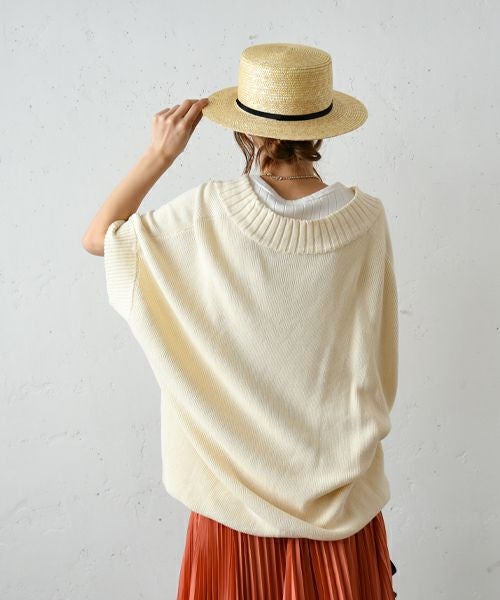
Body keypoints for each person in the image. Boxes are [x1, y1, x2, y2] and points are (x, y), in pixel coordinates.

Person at [82, 42, 399, 599]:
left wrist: (160, 153)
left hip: (230, 503)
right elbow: (377, 356)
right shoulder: (366, 219)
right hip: (340, 504)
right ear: (321, 129)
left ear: (246, 131)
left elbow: (99, 239)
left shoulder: (205, 212)